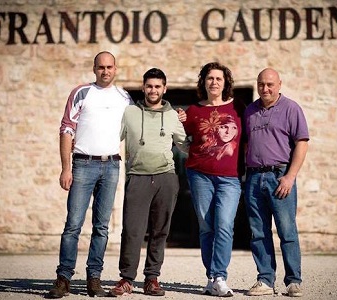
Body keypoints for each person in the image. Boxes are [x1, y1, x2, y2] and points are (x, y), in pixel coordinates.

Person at [47, 51, 133, 299]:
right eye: (101, 67)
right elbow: (66, 129)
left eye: (109, 67)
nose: (105, 71)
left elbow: (140, 123)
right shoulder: (81, 93)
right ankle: (63, 278)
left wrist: (178, 115)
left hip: (112, 166)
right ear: (94, 69)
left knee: (102, 227)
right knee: (73, 225)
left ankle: (93, 279)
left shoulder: (124, 97)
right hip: (83, 165)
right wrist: (66, 168)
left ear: (115, 69)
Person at [108, 68, 188, 297]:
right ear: (143, 87)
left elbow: (184, 144)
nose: (153, 90)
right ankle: (126, 279)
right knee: (132, 230)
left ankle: (152, 278)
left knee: (160, 231)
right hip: (138, 178)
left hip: (166, 178)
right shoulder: (129, 112)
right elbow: (112, 137)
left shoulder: (173, 115)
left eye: (157, 86)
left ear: (164, 88)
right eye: (149, 86)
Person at [243, 68, 309, 297]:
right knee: (258, 232)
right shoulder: (250, 111)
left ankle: (293, 282)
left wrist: (290, 176)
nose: (265, 88)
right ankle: (265, 280)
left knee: (287, 230)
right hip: (253, 178)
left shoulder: (291, 108)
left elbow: (302, 143)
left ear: (280, 84)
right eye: (261, 84)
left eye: (270, 84)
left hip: (279, 177)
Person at [182, 62, 245, 297]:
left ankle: (220, 276)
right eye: (210, 78)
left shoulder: (238, 107)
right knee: (207, 227)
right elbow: (178, 135)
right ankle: (211, 278)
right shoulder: (192, 111)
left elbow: (250, 137)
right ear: (204, 82)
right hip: (199, 175)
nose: (214, 82)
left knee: (224, 225)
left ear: (225, 82)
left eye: (219, 79)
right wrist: (184, 148)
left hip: (230, 178)